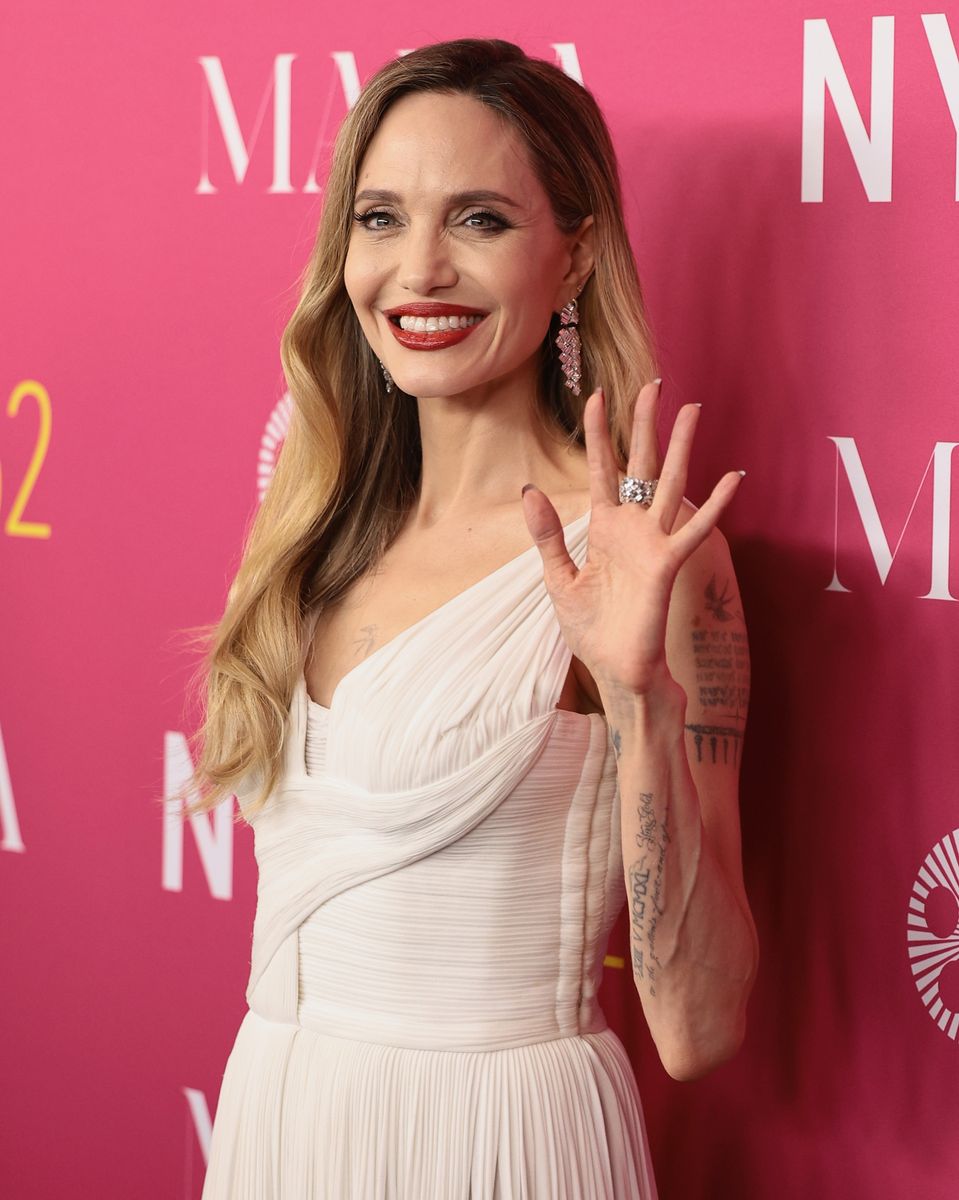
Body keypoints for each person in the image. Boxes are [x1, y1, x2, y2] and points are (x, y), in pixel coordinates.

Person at [187, 36, 759, 1199]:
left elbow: (697, 1028)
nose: (419, 270)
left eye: (481, 221)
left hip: (497, 1144)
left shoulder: (641, 556)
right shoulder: (310, 531)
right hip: (279, 1120)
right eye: (382, 217)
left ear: (575, 253)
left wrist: (639, 693)